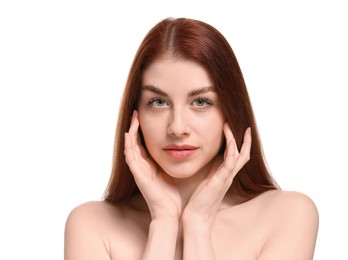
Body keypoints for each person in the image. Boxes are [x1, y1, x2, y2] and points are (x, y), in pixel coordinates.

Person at [64, 17, 319, 260]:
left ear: (230, 111)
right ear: (135, 114)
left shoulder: (287, 214)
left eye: (201, 102)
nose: (177, 128)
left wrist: (197, 223)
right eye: (158, 102)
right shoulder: (91, 224)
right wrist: (163, 222)